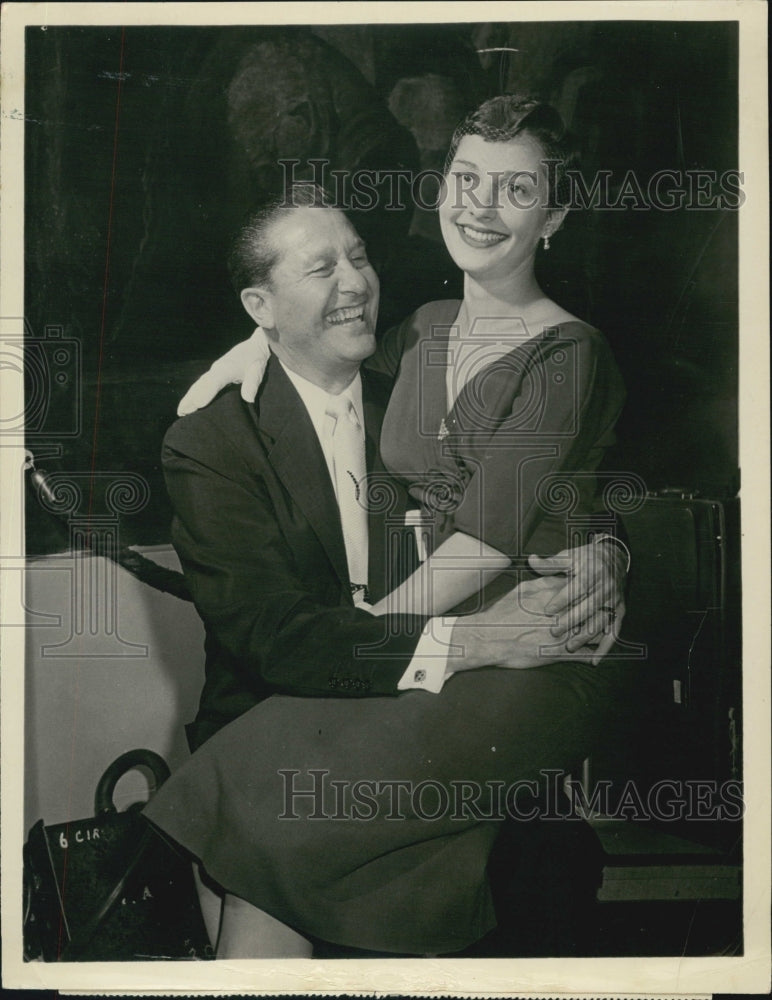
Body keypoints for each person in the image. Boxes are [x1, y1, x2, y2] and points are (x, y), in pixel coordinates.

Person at [145, 97, 630, 958]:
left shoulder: (560, 351)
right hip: (380, 674)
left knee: (259, 837)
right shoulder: (417, 340)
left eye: (517, 189)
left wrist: (606, 550)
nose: (481, 206)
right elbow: (315, 348)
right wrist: (251, 346)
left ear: (553, 218)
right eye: (466, 179)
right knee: (268, 841)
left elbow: (510, 516)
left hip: (519, 648)